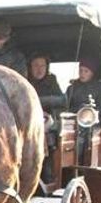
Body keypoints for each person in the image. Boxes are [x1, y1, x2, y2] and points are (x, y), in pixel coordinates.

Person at [27, 55, 64, 184]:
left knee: (45, 134)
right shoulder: (24, 81)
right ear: (30, 68)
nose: (39, 69)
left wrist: (38, 102)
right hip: (26, 118)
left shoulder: (51, 81)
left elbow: (62, 100)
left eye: (42, 66)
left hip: (47, 119)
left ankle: (47, 177)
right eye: (36, 65)